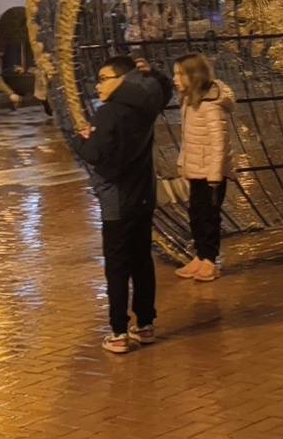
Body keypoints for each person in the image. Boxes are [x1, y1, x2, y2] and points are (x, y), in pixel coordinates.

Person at [71, 55, 171, 353]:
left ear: (121, 80)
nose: (98, 85)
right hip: (143, 195)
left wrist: (82, 140)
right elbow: (163, 88)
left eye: (104, 78)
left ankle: (118, 331)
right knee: (142, 259)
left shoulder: (109, 113)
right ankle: (145, 323)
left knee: (117, 265)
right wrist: (151, 73)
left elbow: (97, 155)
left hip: (117, 200)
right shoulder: (147, 104)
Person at [173, 54, 234, 282]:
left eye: (180, 74)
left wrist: (215, 174)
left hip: (210, 173)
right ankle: (200, 256)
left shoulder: (210, 105)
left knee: (209, 216)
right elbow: (187, 139)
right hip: (196, 169)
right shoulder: (189, 101)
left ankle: (209, 260)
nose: (175, 79)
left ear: (194, 76)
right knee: (196, 214)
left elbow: (220, 142)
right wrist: (183, 163)